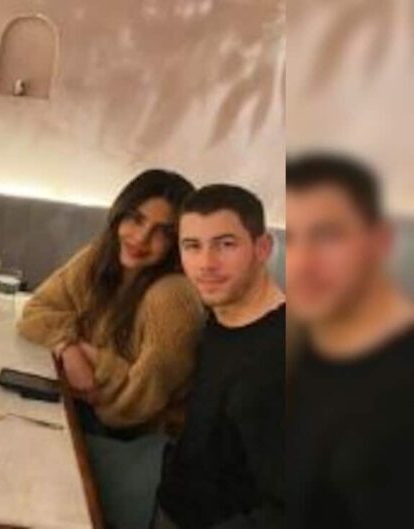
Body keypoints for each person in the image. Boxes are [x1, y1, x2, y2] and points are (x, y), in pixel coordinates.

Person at [18, 169, 205, 528]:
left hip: (138, 455)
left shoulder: (172, 297)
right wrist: (69, 348)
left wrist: (95, 366)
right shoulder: (101, 257)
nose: (141, 238)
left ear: (179, 242)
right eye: (136, 219)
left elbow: (133, 407)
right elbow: (36, 310)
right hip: (89, 424)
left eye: (162, 232)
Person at [286, 154, 414, 529]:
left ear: (380, 241)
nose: (302, 263)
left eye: (328, 235)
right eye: (290, 238)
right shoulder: (302, 342)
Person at [154, 184, 285, 529]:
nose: (206, 264)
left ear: (263, 248)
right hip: (175, 507)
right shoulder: (219, 319)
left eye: (226, 244)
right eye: (192, 246)